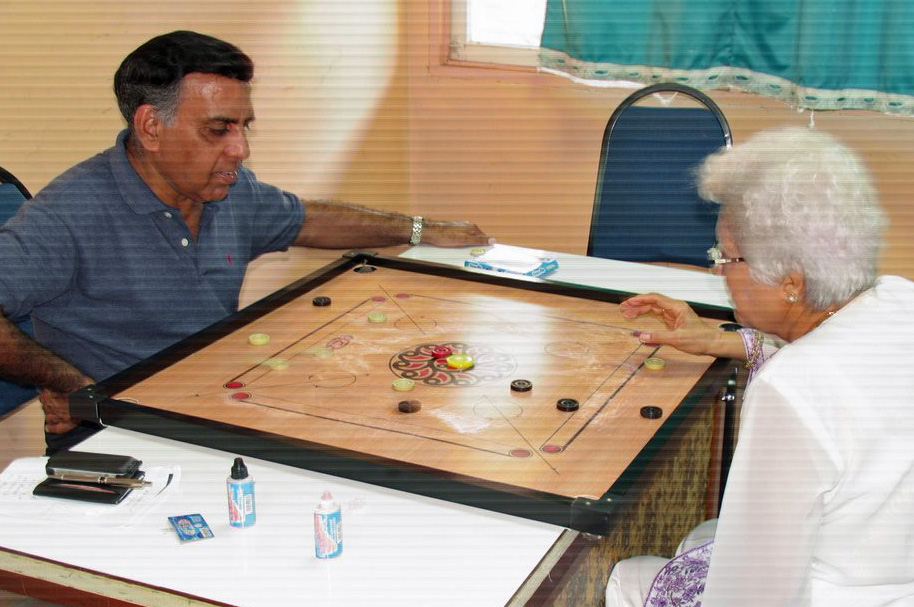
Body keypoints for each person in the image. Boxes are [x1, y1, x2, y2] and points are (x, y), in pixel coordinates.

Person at [0, 31, 492, 453]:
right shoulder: (70, 213)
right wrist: (70, 384)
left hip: (217, 407)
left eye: (241, 127)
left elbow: (307, 220)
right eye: (218, 130)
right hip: (119, 440)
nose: (240, 149)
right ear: (151, 127)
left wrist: (419, 229)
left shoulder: (229, 188)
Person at [607, 127, 914, 606]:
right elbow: (849, 381)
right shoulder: (899, 298)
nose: (717, 271)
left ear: (790, 282)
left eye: (726, 257)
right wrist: (718, 340)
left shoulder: (789, 389)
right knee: (700, 539)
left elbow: (752, 593)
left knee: (626, 578)